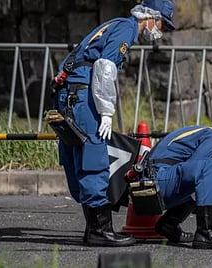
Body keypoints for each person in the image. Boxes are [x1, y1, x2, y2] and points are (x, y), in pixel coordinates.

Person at [53, 0, 176, 247]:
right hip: (83, 96)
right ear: (150, 16)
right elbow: (105, 66)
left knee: (78, 155)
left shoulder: (113, 24)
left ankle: (94, 229)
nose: (160, 30)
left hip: (69, 93)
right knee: (95, 158)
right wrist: (106, 111)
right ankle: (101, 230)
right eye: (162, 23)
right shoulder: (127, 29)